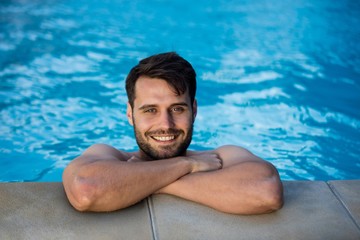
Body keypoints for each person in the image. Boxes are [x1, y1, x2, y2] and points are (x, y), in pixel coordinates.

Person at [62, 52, 283, 214]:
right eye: (150, 110)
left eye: (177, 109)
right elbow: (86, 190)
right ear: (130, 114)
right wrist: (186, 166)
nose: (165, 124)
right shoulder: (107, 154)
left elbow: (266, 190)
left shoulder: (222, 156)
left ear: (194, 110)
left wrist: (141, 181)